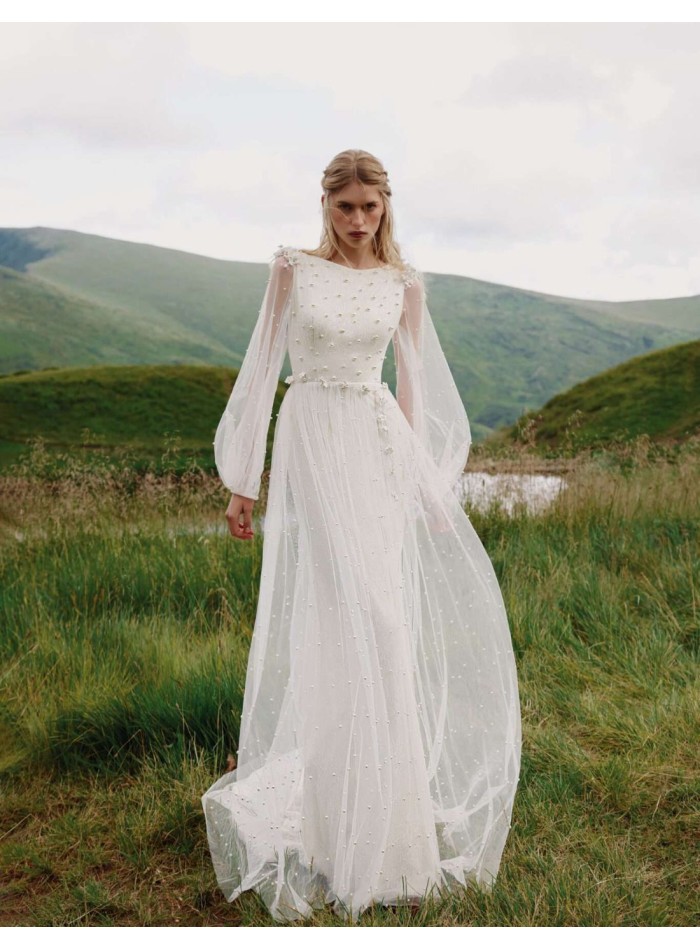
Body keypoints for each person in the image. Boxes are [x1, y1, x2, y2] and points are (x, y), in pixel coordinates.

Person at [201, 149, 521, 922]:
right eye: (344, 208)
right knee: (347, 615)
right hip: (313, 433)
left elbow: (412, 385)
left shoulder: (404, 285)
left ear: (384, 206)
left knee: (381, 622)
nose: (355, 221)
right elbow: (258, 367)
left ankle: (388, 824)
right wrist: (244, 478)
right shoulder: (291, 270)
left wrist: (423, 484)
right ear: (326, 206)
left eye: (368, 208)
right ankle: (334, 820)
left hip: (375, 443)